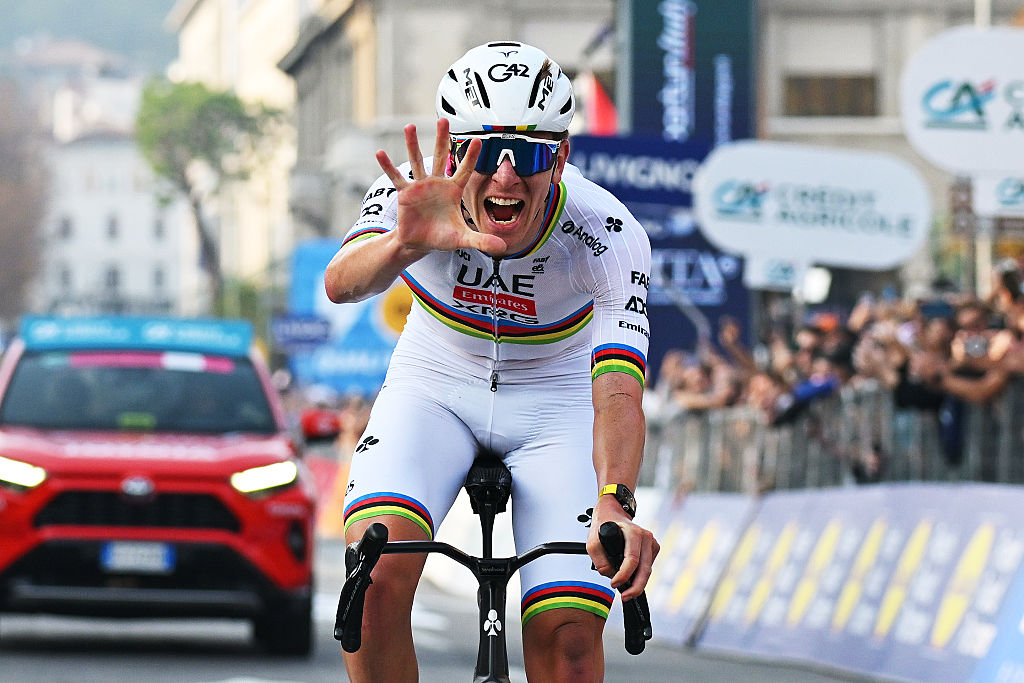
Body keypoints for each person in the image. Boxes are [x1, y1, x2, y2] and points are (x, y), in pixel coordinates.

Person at [324, 41, 659, 681]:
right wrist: (401, 243)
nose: (505, 176)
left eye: (529, 153)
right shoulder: (412, 193)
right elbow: (342, 284)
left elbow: (618, 386)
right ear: (454, 151)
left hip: (557, 399)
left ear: (560, 157)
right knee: (371, 588)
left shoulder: (606, 233)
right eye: (483, 151)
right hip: (435, 386)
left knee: (571, 641)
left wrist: (616, 501)